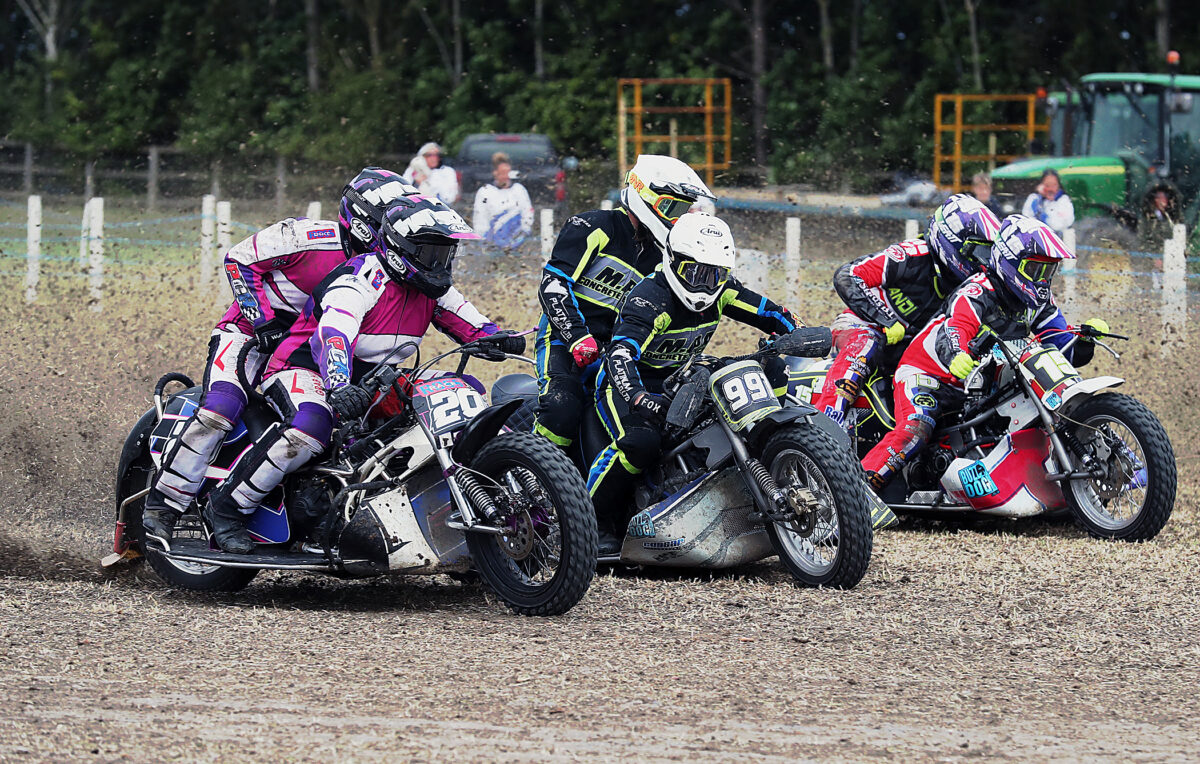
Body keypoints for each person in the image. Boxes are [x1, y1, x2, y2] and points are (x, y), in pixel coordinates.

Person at [202, 195, 525, 554]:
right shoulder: (359, 279)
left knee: (464, 392)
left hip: (374, 377)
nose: (440, 263)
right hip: (306, 367)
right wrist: (339, 385)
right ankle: (228, 507)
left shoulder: (432, 288)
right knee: (311, 423)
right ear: (402, 250)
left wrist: (500, 338)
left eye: (446, 253)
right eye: (432, 253)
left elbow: (470, 321)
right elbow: (333, 335)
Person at [141, 167, 415, 546]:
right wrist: (263, 321)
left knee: (352, 426)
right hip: (250, 335)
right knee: (221, 407)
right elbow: (239, 259)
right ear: (364, 220)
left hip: (311, 350)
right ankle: (163, 506)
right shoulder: (308, 237)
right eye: (390, 219)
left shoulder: (390, 268)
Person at [587, 214, 799, 553]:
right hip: (625, 384)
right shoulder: (650, 299)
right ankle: (592, 520)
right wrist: (638, 397)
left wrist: (797, 333)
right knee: (640, 443)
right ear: (672, 260)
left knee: (766, 373)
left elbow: (773, 314)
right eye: (695, 273)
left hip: (682, 381)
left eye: (715, 274)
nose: (705, 284)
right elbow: (620, 355)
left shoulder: (724, 291)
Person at [860, 215, 1107, 492]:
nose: (1042, 279)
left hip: (983, 385)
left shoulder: (1039, 302)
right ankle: (860, 491)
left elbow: (1060, 345)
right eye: (1035, 269)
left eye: (1048, 271)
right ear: (1011, 260)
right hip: (929, 373)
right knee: (916, 427)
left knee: (1048, 402)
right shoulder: (978, 290)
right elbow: (955, 326)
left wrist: (1083, 342)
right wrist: (957, 353)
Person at [533, 154, 714, 453]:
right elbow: (553, 285)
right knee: (561, 407)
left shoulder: (666, 254)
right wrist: (577, 336)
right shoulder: (593, 226)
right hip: (564, 339)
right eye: (672, 208)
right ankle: (535, 470)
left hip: (621, 349)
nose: (676, 219)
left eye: (683, 211)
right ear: (645, 195)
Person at [812, 194, 1001, 432]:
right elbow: (848, 275)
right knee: (867, 342)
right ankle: (826, 423)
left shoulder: (975, 287)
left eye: (987, 253)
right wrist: (884, 320)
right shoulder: (912, 254)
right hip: (860, 325)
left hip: (908, 351)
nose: (982, 261)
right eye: (977, 251)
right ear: (952, 240)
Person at [472, 152, 534, 248]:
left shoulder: (519, 189)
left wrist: (524, 232)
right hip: (492, 243)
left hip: (516, 242)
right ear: (495, 173)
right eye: (503, 173)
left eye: (508, 173)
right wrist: (483, 238)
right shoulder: (485, 191)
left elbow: (527, 212)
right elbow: (480, 216)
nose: (506, 176)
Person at [1022, 168, 1074, 236]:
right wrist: (1039, 201)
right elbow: (1026, 219)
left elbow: (1059, 225)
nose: (1050, 189)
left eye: (1054, 185)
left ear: (1059, 186)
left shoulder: (1064, 200)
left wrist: (1043, 215)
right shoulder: (1034, 198)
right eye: (1047, 185)